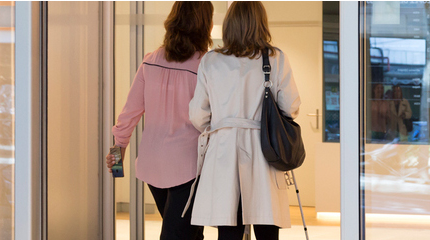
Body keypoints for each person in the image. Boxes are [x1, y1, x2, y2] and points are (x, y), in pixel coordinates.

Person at [186, 2, 298, 240]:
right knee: (267, 224)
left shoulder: (211, 60)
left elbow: (198, 114)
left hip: (223, 151)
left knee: (229, 226)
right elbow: (291, 107)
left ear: (229, 24)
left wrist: (220, 127)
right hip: (264, 149)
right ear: (261, 23)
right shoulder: (275, 58)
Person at [106, 2, 213, 240]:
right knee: (179, 234)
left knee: (190, 233)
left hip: (152, 165)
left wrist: (117, 153)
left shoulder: (150, 60)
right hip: (188, 168)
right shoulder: (205, 65)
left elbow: (129, 113)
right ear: (205, 24)